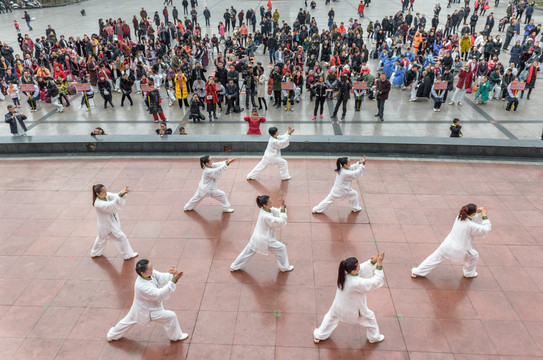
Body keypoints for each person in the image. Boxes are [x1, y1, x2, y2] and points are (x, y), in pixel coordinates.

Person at [107, 259, 189, 342]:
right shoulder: (141, 286)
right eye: (150, 269)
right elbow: (159, 294)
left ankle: (112, 335)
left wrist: (172, 275)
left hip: (139, 307)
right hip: (148, 311)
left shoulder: (149, 273)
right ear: (142, 273)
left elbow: (161, 277)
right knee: (171, 316)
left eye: (152, 267)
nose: (152, 270)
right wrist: (173, 280)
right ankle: (176, 336)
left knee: (127, 321)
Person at [313, 253, 386, 345]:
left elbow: (361, 268)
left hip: (337, 307)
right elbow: (376, 281)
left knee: (330, 317)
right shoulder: (357, 283)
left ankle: (318, 335)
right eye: (358, 265)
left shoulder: (343, 273)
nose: (360, 266)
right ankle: (374, 337)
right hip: (352, 312)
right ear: (353, 271)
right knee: (370, 317)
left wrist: (372, 262)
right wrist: (379, 265)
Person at [411, 204, 491, 278]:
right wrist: (484, 214)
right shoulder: (471, 225)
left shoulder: (459, 217)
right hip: (461, 249)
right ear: (473, 214)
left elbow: (471, 218)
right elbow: (486, 228)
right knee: (474, 256)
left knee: (434, 258)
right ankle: (469, 273)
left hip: (447, 245)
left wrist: (477, 212)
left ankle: (416, 272)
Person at [230, 195, 294, 272]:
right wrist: (283, 209)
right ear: (264, 205)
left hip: (256, 237)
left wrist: (283, 206)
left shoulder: (266, 210)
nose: (272, 203)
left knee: (246, 253)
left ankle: (234, 266)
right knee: (281, 248)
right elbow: (280, 222)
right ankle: (284, 267)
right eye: (270, 202)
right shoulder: (266, 216)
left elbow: (277, 212)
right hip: (265, 240)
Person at [90, 184, 138, 260]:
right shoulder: (98, 204)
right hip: (106, 225)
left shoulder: (107, 195)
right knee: (121, 237)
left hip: (109, 223)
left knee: (101, 238)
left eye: (105, 191)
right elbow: (110, 206)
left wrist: (122, 193)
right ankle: (128, 255)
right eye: (103, 192)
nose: (105, 193)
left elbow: (115, 196)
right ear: (97, 194)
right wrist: (120, 195)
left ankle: (94, 253)